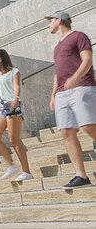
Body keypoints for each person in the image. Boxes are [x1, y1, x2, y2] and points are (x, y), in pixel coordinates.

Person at [47, 10, 96, 188]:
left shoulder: (79, 37)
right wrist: (53, 95)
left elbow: (87, 59)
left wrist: (75, 78)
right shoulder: (57, 47)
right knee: (66, 131)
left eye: (50, 20)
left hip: (82, 86)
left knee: (87, 126)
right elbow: (57, 73)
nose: (48, 24)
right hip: (62, 93)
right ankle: (81, 176)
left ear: (59, 20)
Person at [0, 48, 33, 181]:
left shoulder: (14, 71)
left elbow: (16, 86)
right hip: (0, 109)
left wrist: (16, 98)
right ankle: (11, 166)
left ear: (3, 57)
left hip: (12, 106)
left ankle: (27, 172)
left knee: (14, 139)